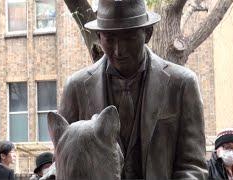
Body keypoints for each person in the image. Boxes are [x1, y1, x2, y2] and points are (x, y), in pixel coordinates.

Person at [58, 0, 208, 179]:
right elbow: (62, 160)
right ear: (99, 36)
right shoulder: (76, 88)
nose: (119, 50)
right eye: (110, 39)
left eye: (128, 38)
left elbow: (193, 166)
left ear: (148, 33)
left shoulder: (182, 84)